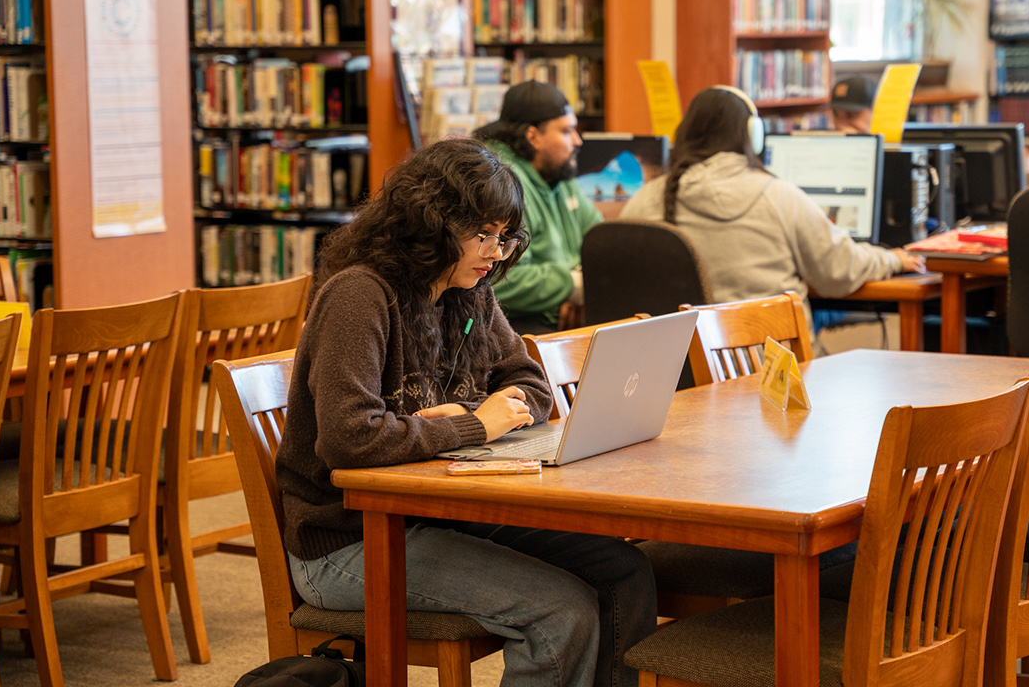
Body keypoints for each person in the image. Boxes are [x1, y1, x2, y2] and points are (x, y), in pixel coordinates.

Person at [277, 138, 655, 687]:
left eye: (504, 237)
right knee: (559, 612)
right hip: (347, 541)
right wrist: (475, 424)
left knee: (625, 572)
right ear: (428, 226)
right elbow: (349, 438)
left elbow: (529, 382)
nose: (496, 253)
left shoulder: (467, 290)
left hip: (440, 511)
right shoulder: (359, 296)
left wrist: (465, 415)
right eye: (481, 235)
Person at [619, 86, 924, 310]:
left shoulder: (643, 201)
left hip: (682, 375)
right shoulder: (780, 196)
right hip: (772, 374)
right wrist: (892, 258)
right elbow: (838, 270)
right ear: (754, 136)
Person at [475, 80, 599, 334]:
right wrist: (574, 287)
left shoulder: (559, 175)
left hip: (555, 318)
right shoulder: (504, 185)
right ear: (533, 137)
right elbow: (502, 279)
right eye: (566, 131)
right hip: (520, 329)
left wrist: (576, 295)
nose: (578, 141)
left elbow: (602, 241)